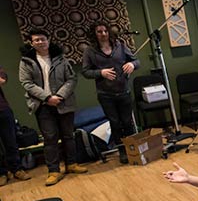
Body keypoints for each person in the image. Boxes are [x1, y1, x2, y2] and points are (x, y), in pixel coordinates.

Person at [19, 29, 88, 186]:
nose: (40, 42)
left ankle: (71, 164)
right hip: (42, 105)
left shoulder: (60, 58)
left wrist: (60, 96)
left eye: (43, 39)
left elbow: (71, 78)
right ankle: (54, 171)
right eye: (36, 40)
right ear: (31, 43)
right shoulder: (26, 61)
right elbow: (26, 83)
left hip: (64, 103)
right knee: (50, 138)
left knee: (68, 135)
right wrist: (47, 98)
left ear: (48, 40)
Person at [81, 21, 141, 163]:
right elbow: (85, 71)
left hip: (123, 90)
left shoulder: (120, 46)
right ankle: (122, 151)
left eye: (105, 31)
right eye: (99, 32)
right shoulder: (89, 51)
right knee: (115, 123)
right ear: (94, 34)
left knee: (128, 122)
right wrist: (100, 72)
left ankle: (133, 149)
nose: (103, 34)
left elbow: (137, 61)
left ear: (109, 32)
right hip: (106, 94)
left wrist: (132, 64)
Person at [0, 65, 30, 186]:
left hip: (2, 110)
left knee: (11, 142)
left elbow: (2, 79)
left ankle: (17, 169)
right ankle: (2, 173)